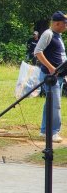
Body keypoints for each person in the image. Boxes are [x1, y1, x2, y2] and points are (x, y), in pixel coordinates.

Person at [34, 12, 67, 144]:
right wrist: (51, 68)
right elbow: (37, 52)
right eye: (65, 23)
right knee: (55, 104)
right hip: (50, 76)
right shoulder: (48, 34)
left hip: (58, 76)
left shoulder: (58, 36)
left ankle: (44, 130)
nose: (66, 25)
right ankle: (53, 132)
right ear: (57, 23)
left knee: (50, 103)